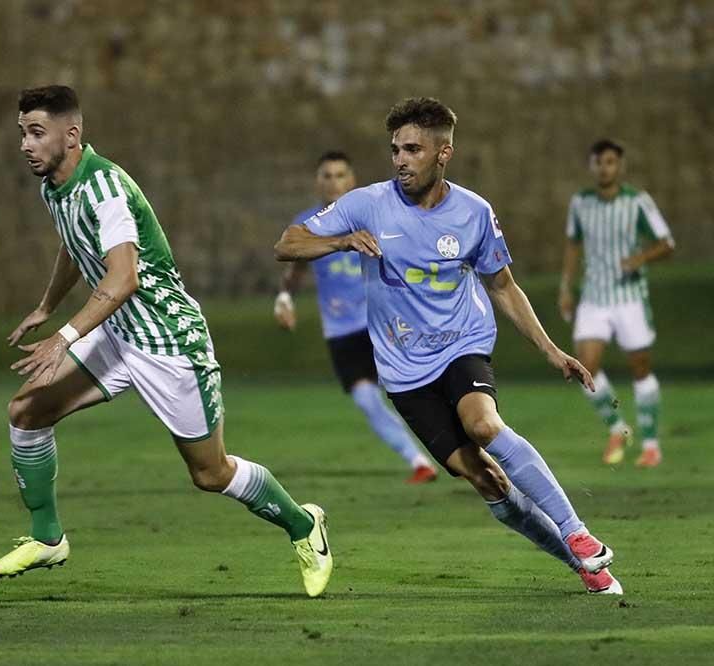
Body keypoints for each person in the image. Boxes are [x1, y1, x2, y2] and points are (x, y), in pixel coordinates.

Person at [0, 85, 333, 597]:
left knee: (211, 473)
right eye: (22, 133)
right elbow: (73, 244)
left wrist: (64, 336)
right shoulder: (56, 188)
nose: (25, 145)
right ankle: (47, 538)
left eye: (36, 133)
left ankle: (305, 526)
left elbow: (123, 279)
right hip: (118, 331)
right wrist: (47, 305)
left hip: (168, 341)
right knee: (26, 412)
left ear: (71, 134)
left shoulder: (104, 188)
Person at [274, 97, 622, 594]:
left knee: (482, 424)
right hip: (402, 369)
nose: (399, 160)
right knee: (486, 480)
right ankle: (581, 565)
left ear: (444, 153)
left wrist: (550, 349)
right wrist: (342, 241)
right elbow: (286, 243)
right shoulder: (366, 204)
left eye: (412, 149)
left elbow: (502, 285)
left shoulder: (474, 212)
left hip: (463, 342)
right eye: (395, 149)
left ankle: (578, 533)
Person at [274, 150, 437, 484]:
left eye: (340, 175)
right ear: (318, 183)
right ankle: (418, 460)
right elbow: (294, 268)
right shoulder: (309, 225)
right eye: (327, 176)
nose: (334, 182)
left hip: (385, 321)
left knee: (418, 389)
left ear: (353, 180)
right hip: (341, 331)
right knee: (366, 398)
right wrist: (285, 297)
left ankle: (459, 447)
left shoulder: (373, 215)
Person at [559, 139, 674, 468]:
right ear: (591, 166)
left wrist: (641, 257)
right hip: (594, 297)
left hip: (629, 299)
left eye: (610, 162)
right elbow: (572, 245)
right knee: (585, 367)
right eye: (598, 162)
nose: (603, 167)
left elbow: (667, 243)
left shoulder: (637, 202)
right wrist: (566, 287)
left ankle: (651, 444)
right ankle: (618, 427)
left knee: (640, 368)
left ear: (619, 166)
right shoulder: (580, 202)